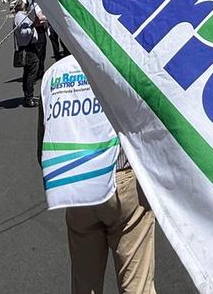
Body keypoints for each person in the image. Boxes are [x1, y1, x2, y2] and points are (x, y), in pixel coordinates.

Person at [39, 52, 155, 294]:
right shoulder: (123, 64)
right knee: (137, 286)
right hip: (122, 179)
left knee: (85, 284)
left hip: (76, 185)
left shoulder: (53, 74)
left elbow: (43, 145)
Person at [15, 0, 46, 108]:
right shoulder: (20, 17)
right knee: (31, 72)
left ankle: (29, 96)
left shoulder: (20, 16)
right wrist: (32, 27)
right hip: (27, 47)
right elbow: (23, 32)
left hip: (28, 46)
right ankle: (29, 97)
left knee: (28, 71)